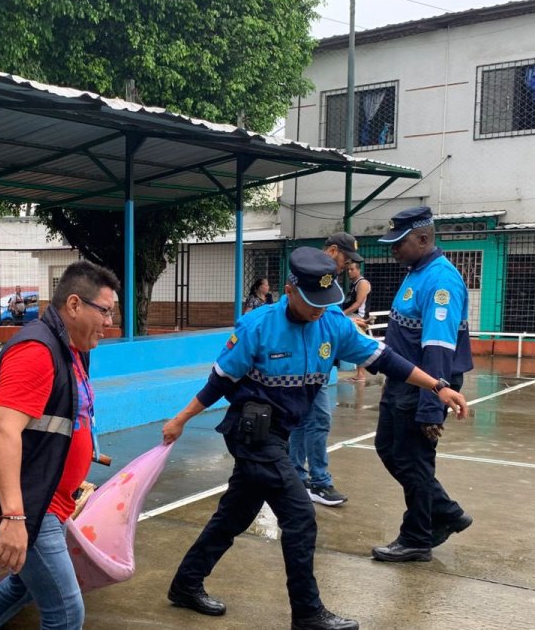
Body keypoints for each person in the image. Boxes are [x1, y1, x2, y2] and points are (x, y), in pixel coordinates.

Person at [161, 248, 469, 630]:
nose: (318, 309)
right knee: (301, 517)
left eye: (326, 302)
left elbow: (386, 360)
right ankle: (307, 613)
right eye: (311, 302)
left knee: (235, 514)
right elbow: (219, 381)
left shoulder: (333, 324)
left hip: (281, 433)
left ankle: (186, 584)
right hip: (252, 434)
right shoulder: (256, 326)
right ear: (290, 290)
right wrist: (181, 420)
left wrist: (437, 386)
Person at [0, 261, 119, 629]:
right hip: (32, 503)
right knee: (65, 613)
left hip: (49, 496)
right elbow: (4, 432)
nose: (110, 323)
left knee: (24, 585)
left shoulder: (73, 349)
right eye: (106, 312)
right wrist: (15, 518)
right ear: (75, 305)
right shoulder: (37, 350)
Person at [371, 206, 475, 563]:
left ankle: (416, 537)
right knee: (388, 448)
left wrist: (432, 405)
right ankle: (446, 511)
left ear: (423, 238)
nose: (393, 250)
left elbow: (438, 349)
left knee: (415, 462)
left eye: (399, 242)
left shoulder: (440, 281)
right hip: (402, 382)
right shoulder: (416, 271)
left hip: (426, 385)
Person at [288, 232, 364, 507]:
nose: (347, 266)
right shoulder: (309, 279)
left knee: (302, 422)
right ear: (332, 251)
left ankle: (297, 477)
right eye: (346, 258)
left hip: (315, 364)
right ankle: (319, 482)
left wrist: (348, 324)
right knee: (317, 420)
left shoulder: (327, 285)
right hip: (304, 365)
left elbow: (326, 315)